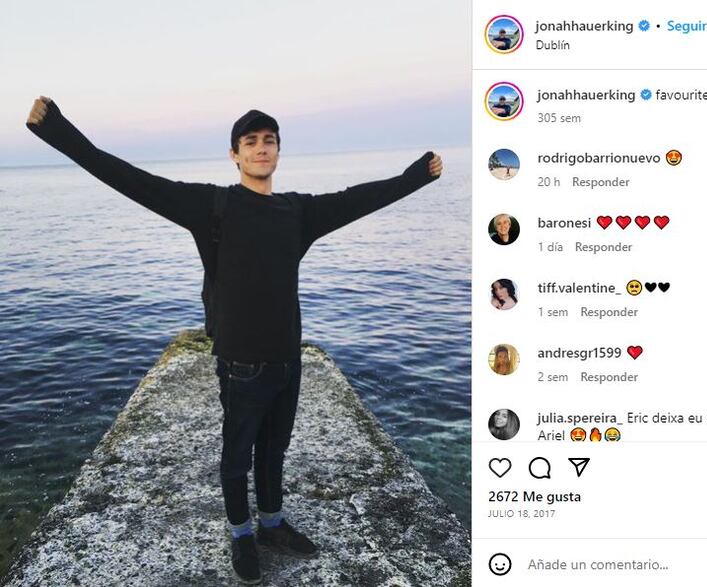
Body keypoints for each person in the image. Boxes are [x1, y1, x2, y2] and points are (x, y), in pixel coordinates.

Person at [26, 96, 443, 585]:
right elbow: (131, 179)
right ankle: (241, 534)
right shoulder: (213, 208)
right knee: (236, 456)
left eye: (269, 141)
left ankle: (272, 525)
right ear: (235, 154)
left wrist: (415, 177)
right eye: (251, 142)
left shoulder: (297, 212)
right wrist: (57, 130)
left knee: (274, 451)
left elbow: (357, 199)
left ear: (278, 152)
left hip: (287, 358)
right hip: (241, 364)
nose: (261, 149)